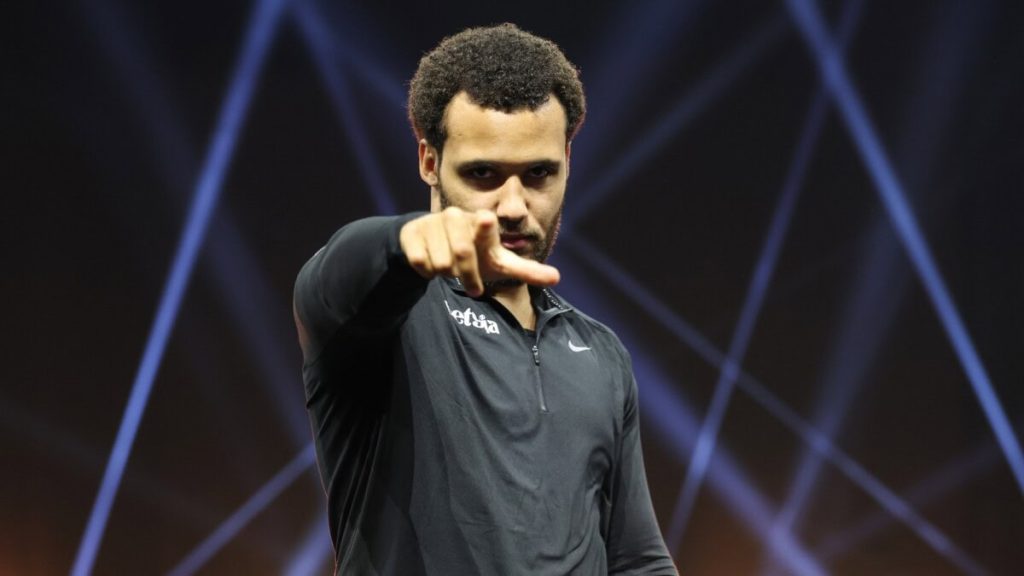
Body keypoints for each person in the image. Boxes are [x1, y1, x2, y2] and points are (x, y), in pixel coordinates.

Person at [293, 23, 677, 575]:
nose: (513, 205)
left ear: (568, 161)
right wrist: (406, 241)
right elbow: (338, 274)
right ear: (429, 161)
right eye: (483, 174)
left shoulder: (601, 353)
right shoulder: (380, 319)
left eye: (539, 173)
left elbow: (637, 559)